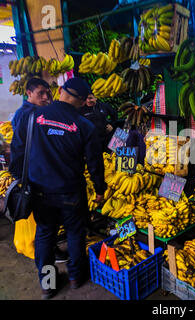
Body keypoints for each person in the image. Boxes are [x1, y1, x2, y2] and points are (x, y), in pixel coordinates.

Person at [10, 77, 107, 299]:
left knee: (45, 235)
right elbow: (95, 163)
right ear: (83, 102)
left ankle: (48, 285)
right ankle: (74, 278)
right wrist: (99, 189)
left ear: (60, 91)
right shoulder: (85, 126)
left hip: (39, 190)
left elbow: (17, 150)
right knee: (75, 233)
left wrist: (18, 177)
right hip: (71, 192)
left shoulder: (32, 116)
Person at [9, 78, 69, 264]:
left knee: (46, 226)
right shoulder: (27, 115)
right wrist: (21, 176)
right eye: (40, 93)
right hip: (37, 178)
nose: (45, 96)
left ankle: (48, 271)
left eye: (47, 93)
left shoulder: (37, 112)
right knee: (46, 227)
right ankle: (48, 272)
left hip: (44, 175)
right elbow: (18, 148)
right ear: (28, 93)